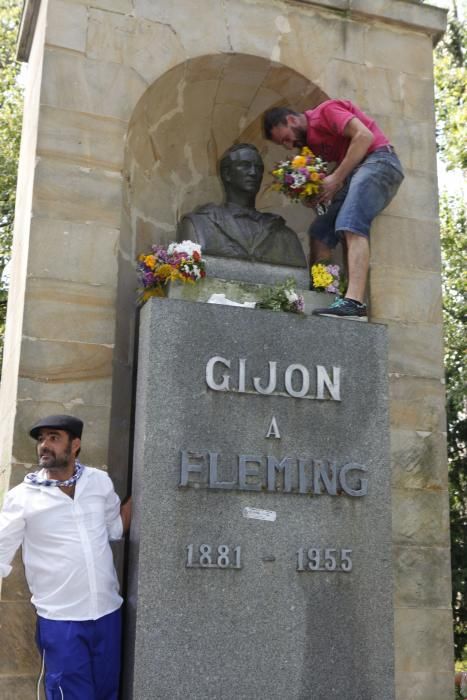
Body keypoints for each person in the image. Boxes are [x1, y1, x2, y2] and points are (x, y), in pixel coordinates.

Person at [0, 414, 131, 699]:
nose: (44, 445)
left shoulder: (99, 482)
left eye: (54, 438)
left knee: (108, 692)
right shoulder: (23, 497)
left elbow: (115, 527)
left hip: (107, 614)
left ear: (75, 445)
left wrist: (149, 494)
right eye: (41, 439)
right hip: (61, 623)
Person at [263, 101, 405, 319]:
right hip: (355, 174)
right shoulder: (310, 145)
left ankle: (355, 303)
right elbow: (329, 176)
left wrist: (336, 179)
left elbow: (364, 136)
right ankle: (327, 293)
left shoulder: (325, 112)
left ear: (291, 120)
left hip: (380, 161)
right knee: (321, 231)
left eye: (286, 138)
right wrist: (315, 193)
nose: (289, 146)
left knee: (350, 223)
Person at [177, 143, 307, 268]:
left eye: (258, 168)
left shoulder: (284, 235)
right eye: (245, 165)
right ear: (226, 174)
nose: (253, 172)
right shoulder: (199, 225)